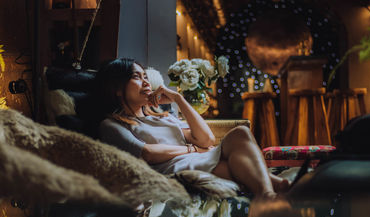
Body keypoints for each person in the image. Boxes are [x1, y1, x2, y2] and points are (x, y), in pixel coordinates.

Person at [96, 58, 289, 199]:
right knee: (231, 165)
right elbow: (147, 153)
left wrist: (178, 99)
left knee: (240, 133)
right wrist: (192, 149)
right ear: (118, 88)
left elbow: (206, 140)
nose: (146, 82)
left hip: (198, 158)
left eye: (146, 76)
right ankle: (274, 190)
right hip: (178, 169)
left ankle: (270, 193)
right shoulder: (112, 125)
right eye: (137, 77)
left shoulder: (163, 117)